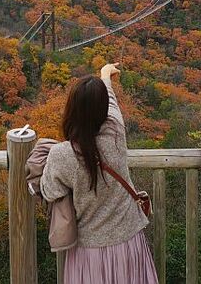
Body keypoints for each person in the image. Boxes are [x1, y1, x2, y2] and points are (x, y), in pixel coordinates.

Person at [41, 63, 158, 283]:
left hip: (90, 252)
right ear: (103, 111)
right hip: (129, 244)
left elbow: (49, 191)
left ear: (71, 109)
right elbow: (111, 102)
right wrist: (106, 75)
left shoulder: (62, 154)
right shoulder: (116, 132)